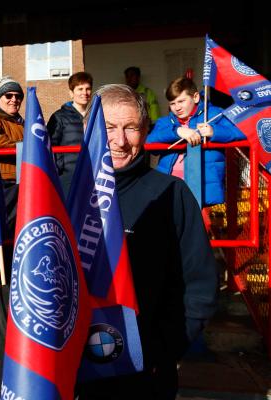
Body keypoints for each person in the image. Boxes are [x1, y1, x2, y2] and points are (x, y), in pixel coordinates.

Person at [76, 84, 218, 400]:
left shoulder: (172, 194)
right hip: (67, 368)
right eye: (109, 127)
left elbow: (200, 284)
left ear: (145, 132)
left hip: (143, 372)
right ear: (89, 130)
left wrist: (163, 350)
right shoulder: (62, 193)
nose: (120, 140)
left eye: (131, 128)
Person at [146, 77, 245, 206]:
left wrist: (214, 131)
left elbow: (241, 132)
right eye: (172, 103)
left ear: (196, 97)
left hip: (204, 187)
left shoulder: (215, 115)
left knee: (200, 224)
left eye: (181, 101)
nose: (177, 107)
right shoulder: (165, 122)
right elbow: (149, 141)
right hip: (170, 186)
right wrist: (177, 132)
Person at [47, 71, 93, 193]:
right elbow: (51, 145)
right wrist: (60, 169)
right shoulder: (59, 117)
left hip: (93, 174)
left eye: (88, 89)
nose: (85, 93)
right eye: (80, 89)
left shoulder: (97, 115)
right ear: (71, 93)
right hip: (68, 177)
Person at [0, 76, 24, 182]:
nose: (14, 100)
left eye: (18, 96)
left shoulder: (25, 123)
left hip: (25, 176)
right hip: (4, 179)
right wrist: (27, 146)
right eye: (8, 96)